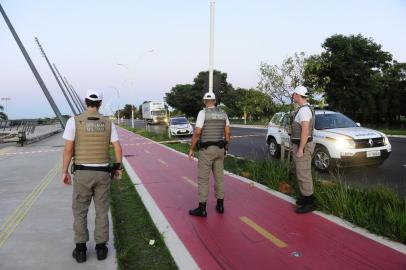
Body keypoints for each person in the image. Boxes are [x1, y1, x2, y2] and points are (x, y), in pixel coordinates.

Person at [62, 90, 123, 263]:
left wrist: (64, 171)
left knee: (80, 211)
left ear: (85, 102)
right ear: (100, 104)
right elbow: (118, 149)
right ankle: (101, 248)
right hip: (103, 173)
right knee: (102, 210)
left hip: (82, 173)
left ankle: (81, 250)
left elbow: (68, 149)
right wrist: (118, 168)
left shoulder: (74, 121)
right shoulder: (108, 123)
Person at [188, 92, 231, 217]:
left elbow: (197, 132)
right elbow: (228, 134)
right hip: (220, 149)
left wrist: (191, 148)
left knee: (203, 180)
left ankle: (202, 209)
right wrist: (226, 148)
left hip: (206, 150)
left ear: (204, 101)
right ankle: (220, 206)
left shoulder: (203, 113)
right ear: (215, 101)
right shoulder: (223, 113)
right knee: (219, 178)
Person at [290, 85, 316, 214]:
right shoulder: (303, 109)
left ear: (298, 95)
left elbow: (305, 131)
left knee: (304, 173)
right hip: (301, 145)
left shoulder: (304, 111)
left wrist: (301, 149)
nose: (292, 96)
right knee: (301, 172)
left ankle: (309, 202)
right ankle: (305, 197)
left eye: (294, 94)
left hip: (303, 146)